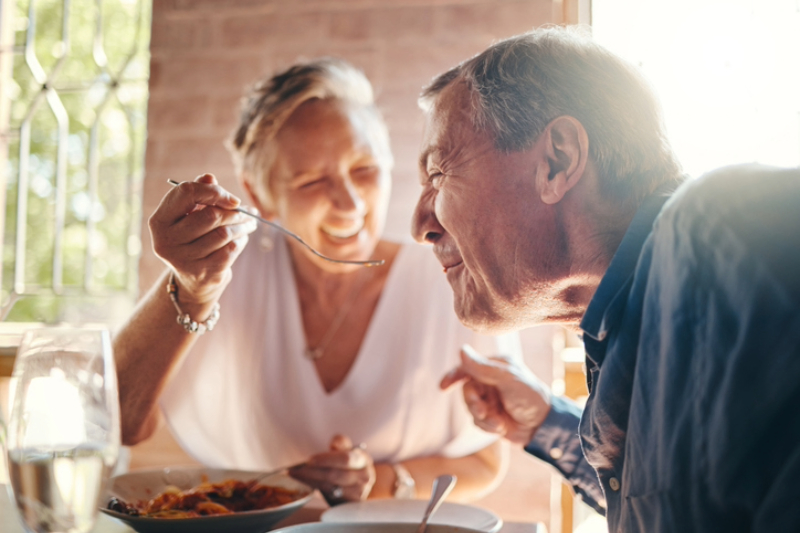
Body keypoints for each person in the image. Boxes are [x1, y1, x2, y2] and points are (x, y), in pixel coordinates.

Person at [411, 26, 800, 532]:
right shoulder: (629, 326)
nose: (421, 225)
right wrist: (546, 423)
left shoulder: (719, 238)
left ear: (559, 160)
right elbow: (679, 497)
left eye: (439, 173)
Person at [114, 58, 520, 503]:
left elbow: (485, 464)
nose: (349, 202)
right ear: (259, 195)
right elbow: (123, 422)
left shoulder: (452, 278)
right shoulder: (217, 271)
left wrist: (377, 483)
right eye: (311, 181)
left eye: (364, 170)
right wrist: (190, 290)